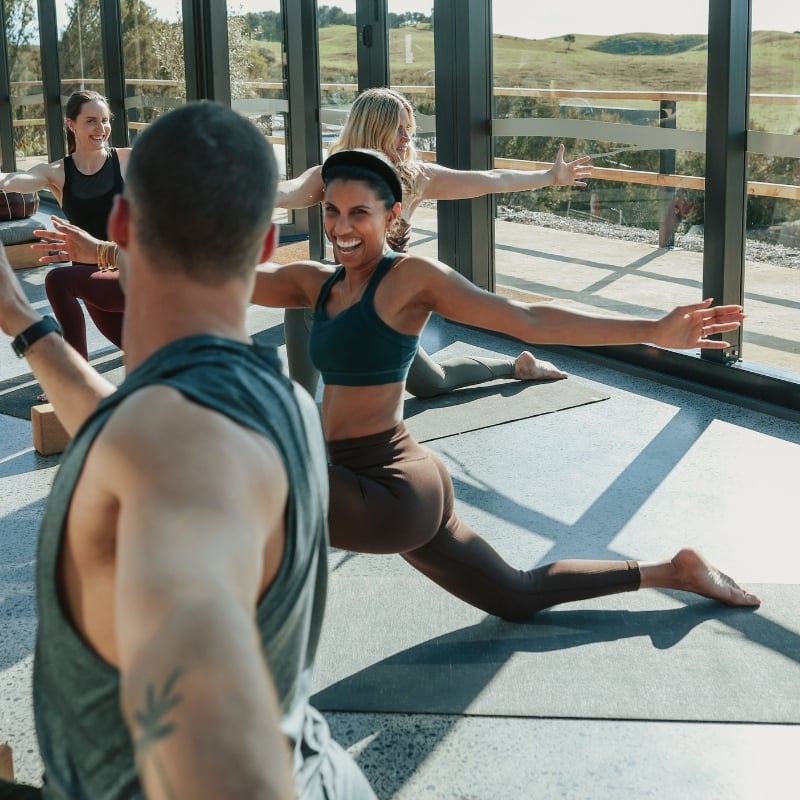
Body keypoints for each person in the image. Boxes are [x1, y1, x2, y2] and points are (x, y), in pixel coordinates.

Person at [0, 103, 375, 799]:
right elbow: (132, 431)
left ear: (118, 227)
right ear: (266, 244)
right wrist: (22, 323)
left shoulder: (176, 448)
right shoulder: (284, 400)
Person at [250, 147, 761, 620]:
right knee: (517, 596)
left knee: (243, 477)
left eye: (359, 212)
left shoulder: (410, 278)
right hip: (377, 477)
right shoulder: (315, 283)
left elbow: (528, 320)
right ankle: (676, 570)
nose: (342, 226)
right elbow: (218, 276)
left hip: (390, 490)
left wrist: (651, 331)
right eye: (332, 211)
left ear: (393, 214)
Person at [275, 87, 593, 398]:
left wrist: (550, 177)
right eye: (397, 129)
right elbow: (288, 192)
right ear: (373, 129)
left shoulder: (416, 177)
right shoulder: (333, 173)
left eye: (408, 129)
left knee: (432, 383)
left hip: (389, 298)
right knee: (301, 292)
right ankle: (296, 405)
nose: (406, 137)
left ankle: (518, 365)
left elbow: (493, 180)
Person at [0, 90, 128, 362]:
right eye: (91, 120)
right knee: (140, 349)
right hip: (90, 278)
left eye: (105, 120)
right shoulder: (57, 172)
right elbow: (18, 179)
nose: (101, 128)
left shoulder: (126, 160)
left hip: (129, 270)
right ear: (71, 124)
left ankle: (74, 371)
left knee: (57, 280)